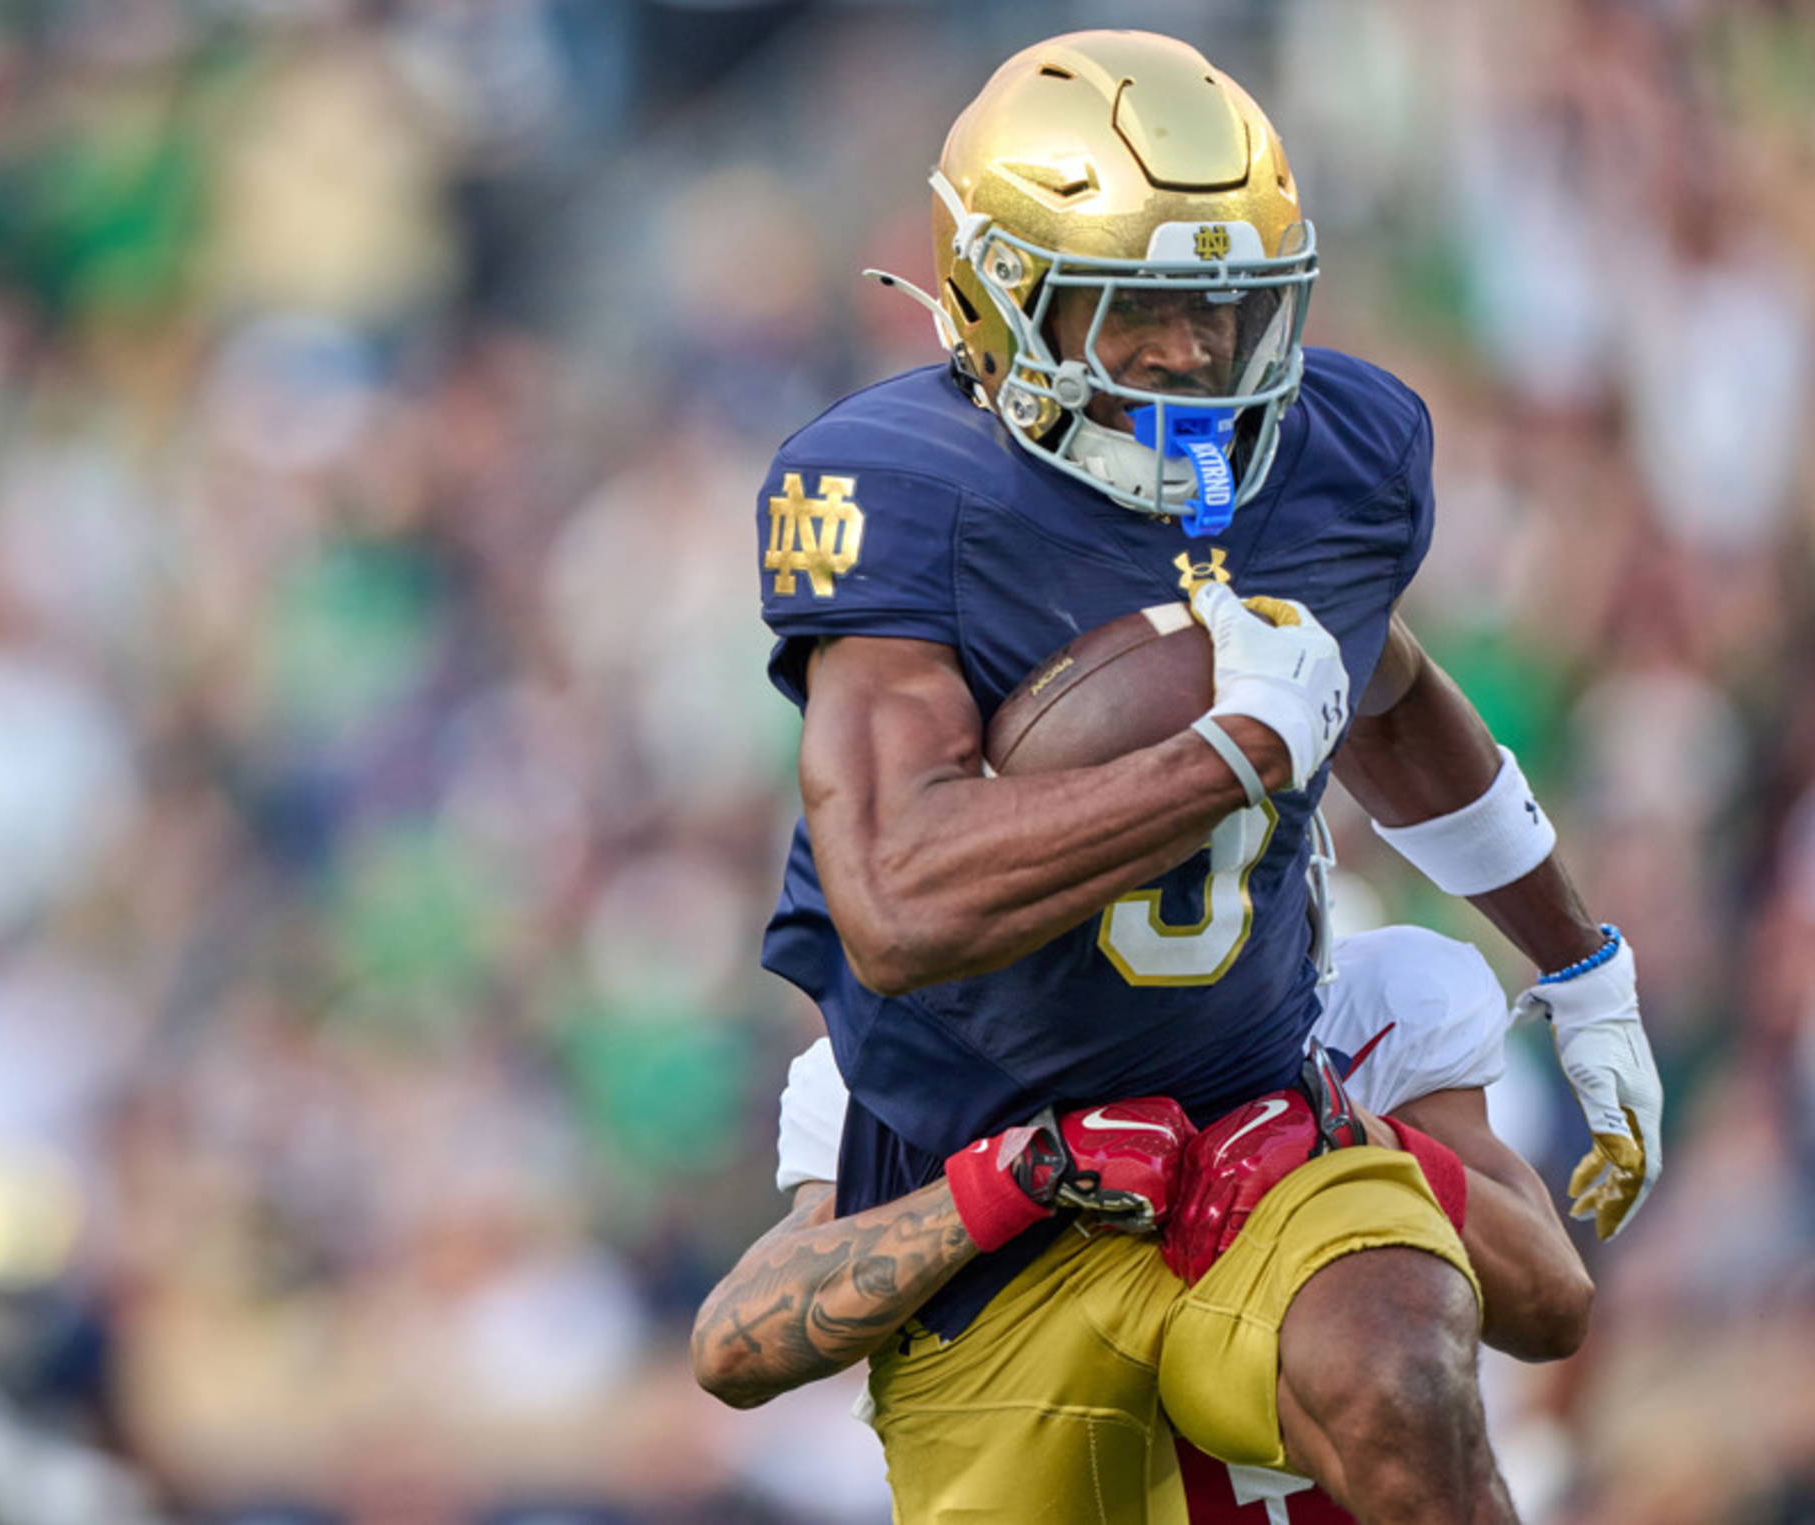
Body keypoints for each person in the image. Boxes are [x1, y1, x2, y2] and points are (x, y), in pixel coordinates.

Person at [743, 28, 1662, 1525]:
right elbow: (899, 905)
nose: (1186, 353)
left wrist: (1581, 963)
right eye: (1134, 310)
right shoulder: (908, 493)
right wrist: (1229, 754)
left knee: (1397, 1363)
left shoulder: (1334, 453)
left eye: (1224, 308)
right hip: (995, 1210)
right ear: (997, 297)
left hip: (1261, 1129)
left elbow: (1387, 696)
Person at [693, 927, 1595, 1523]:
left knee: (1395, 1339)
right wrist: (1017, 1175)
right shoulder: (896, 1070)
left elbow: (1551, 1304)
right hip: (1049, 1457)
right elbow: (736, 1346)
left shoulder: (1377, 997)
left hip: (1318, 1474)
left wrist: (1354, 1132)